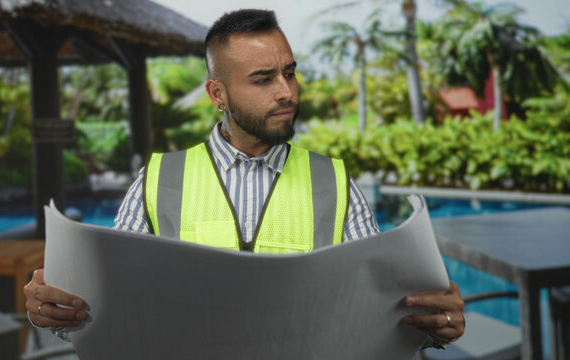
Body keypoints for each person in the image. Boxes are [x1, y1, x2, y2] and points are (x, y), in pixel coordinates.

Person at [24, 9, 465, 349]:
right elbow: (109, 312)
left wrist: (434, 325)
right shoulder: (157, 180)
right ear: (218, 94)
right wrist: (56, 312)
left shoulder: (334, 181)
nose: (287, 92)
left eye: (289, 73)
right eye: (263, 79)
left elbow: (376, 316)